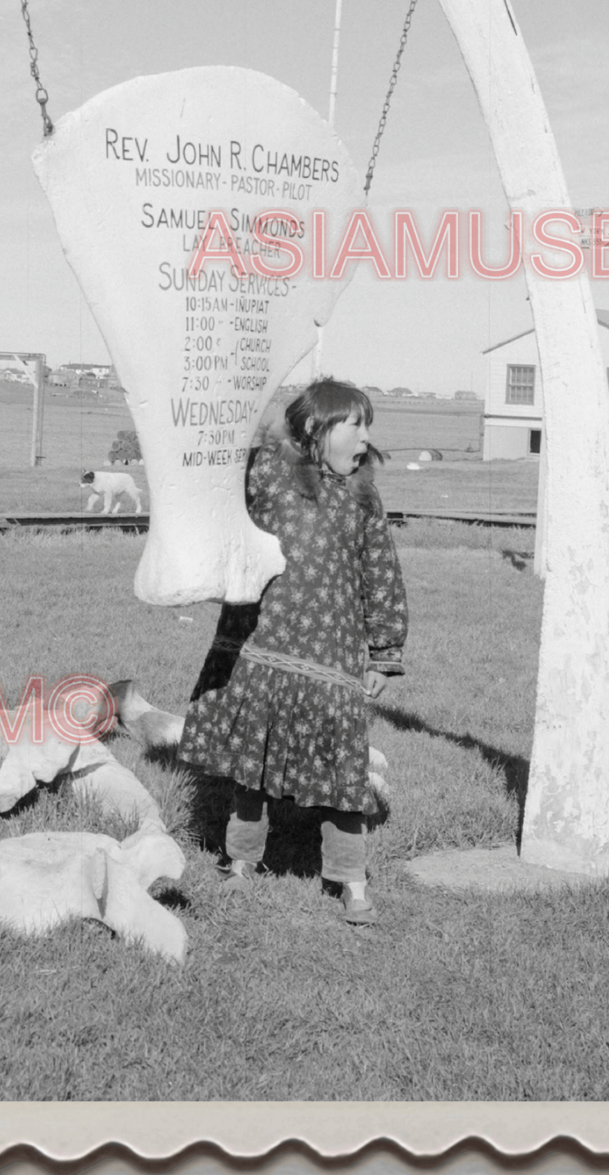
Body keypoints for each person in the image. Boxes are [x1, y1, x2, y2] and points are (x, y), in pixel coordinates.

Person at [177, 378, 407, 925]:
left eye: (366, 425)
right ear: (313, 428)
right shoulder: (267, 472)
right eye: (356, 425)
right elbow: (209, 491)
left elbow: (381, 573)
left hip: (330, 657)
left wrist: (384, 651)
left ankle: (351, 881)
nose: (366, 438)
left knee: (341, 776)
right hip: (262, 645)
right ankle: (240, 863)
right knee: (249, 771)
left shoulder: (362, 498)